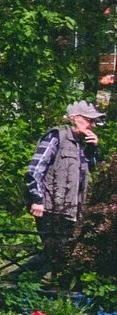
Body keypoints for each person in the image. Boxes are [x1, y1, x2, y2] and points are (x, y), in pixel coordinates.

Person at [27, 100, 103, 273]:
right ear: (74, 118)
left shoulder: (83, 144)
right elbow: (34, 170)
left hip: (73, 210)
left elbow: (94, 169)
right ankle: (8, 281)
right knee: (53, 252)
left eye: (94, 121)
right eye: (89, 120)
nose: (92, 124)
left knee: (61, 255)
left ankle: (40, 291)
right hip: (50, 207)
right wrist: (36, 199)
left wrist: (93, 149)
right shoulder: (57, 136)